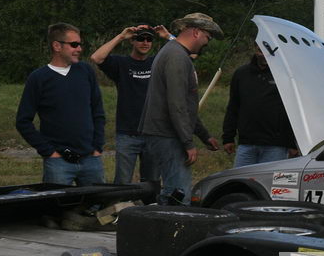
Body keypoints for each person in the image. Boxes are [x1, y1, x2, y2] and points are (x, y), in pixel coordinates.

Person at [139, 12, 223, 205]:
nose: (207, 42)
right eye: (207, 37)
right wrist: (188, 143)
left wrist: (204, 135)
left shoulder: (176, 54)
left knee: (174, 192)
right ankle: (170, 223)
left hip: (165, 133)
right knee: (179, 195)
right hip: (166, 135)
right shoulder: (176, 56)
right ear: (196, 32)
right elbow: (176, 104)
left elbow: (186, 105)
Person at [16, 23, 106, 186]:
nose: (79, 49)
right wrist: (49, 152)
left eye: (80, 44)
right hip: (58, 163)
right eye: (74, 44)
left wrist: (97, 147)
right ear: (57, 46)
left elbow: (98, 112)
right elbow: (23, 121)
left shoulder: (86, 72)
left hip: (91, 160)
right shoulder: (38, 78)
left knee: (96, 201)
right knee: (57, 202)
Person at [90, 24, 172, 184]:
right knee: (122, 184)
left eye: (149, 39)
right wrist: (121, 36)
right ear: (132, 41)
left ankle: (149, 201)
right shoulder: (121, 63)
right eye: (140, 38)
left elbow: (188, 53)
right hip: (127, 134)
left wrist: (168, 36)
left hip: (153, 133)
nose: (145, 42)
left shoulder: (157, 62)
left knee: (152, 184)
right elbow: (96, 58)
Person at [222, 44, 297, 167]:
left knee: (269, 179)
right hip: (247, 143)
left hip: (275, 146)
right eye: (260, 50)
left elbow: (292, 110)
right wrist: (228, 137)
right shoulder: (241, 74)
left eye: (268, 51)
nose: (264, 54)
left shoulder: (285, 75)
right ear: (255, 49)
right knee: (241, 178)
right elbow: (233, 107)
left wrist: (292, 143)